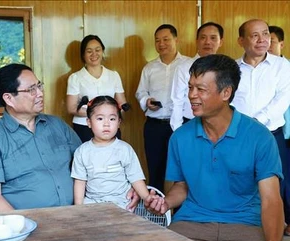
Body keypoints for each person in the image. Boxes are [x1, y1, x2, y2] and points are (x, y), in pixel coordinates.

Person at [145, 54, 288, 241]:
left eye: (201, 89)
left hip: (244, 223)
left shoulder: (259, 137)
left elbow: (271, 201)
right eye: (190, 87)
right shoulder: (180, 137)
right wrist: (164, 202)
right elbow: (182, 188)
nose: (192, 96)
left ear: (225, 92)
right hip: (193, 220)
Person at [0, 63, 82, 211]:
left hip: (74, 215)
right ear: (9, 98)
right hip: (29, 223)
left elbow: (86, 161)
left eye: (39, 86)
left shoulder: (58, 125)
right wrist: (21, 224)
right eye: (31, 90)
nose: (40, 93)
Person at [232, 19, 290, 238]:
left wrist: (257, 121)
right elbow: (228, 100)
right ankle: (242, 229)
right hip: (238, 135)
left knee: (273, 185)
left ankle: (272, 233)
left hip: (270, 135)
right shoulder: (233, 68)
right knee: (240, 181)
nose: (262, 39)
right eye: (254, 35)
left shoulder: (282, 65)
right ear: (241, 40)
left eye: (265, 34)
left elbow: (283, 99)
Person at [135, 24, 190, 192]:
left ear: (176, 40)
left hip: (182, 125)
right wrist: (146, 101)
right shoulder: (149, 67)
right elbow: (140, 91)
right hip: (155, 125)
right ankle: (156, 212)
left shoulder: (189, 64)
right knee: (155, 169)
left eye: (166, 39)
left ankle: (181, 212)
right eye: (157, 40)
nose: (161, 44)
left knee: (183, 170)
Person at [71, 96, 150, 209]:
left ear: (119, 123)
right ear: (89, 122)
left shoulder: (125, 149)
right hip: (92, 204)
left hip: (122, 204)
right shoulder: (82, 152)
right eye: (100, 119)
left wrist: (147, 199)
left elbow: (136, 178)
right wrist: (78, 208)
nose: (106, 124)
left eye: (112, 119)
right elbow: (80, 181)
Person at [66, 35, 129, 143]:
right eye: (89, 51)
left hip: (110, 127)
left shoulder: (113, 75)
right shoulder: (75, 78)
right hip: (84, 127)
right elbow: (71, 108)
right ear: (83, 55)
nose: (94, 54)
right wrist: (98, 114)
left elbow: (122, 104)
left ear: (103, 51)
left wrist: (110, 117)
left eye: (97, 50)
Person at [170, 22, 224, 131]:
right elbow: (177, 101)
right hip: (190, 123)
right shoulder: (183, 68)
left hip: (219, 125)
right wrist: (177, 130)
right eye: (203, 38)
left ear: (221, 42)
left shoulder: (226, 68)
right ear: (197, 41)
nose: (208, 42)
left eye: (213, 38)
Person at [269, 25, 290, 236]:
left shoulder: (285, 67)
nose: (266, 42)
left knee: (283, 180)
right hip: (277, 132)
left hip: (281, 131)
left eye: (271, 39)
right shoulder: (249, 68)